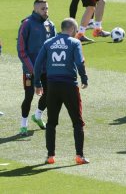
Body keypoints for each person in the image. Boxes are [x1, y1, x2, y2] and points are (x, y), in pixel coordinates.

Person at [34, 18, 89, 165]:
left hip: (52, 86)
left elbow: (38, 64)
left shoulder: (49, 43)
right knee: (77, 122)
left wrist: (37, 82)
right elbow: (79, 62)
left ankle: (50, 156)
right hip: (69, 85)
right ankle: (79, 156)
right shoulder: (74, 42)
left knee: (51, 122)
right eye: (76, 31)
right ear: (71, 29)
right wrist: (84, 77)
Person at [17, 0, 56, 136]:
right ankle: (23, 125)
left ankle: (38, 116)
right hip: (30, 70)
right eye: (43, 9)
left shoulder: (50, 25)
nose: (46, 11)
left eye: (47, 8)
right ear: (35, 9)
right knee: (28, 97)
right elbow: (21, 50)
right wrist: (33, 69)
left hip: (46, 69)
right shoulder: (26, 24)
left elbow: (54, 47)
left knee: (49, 93)